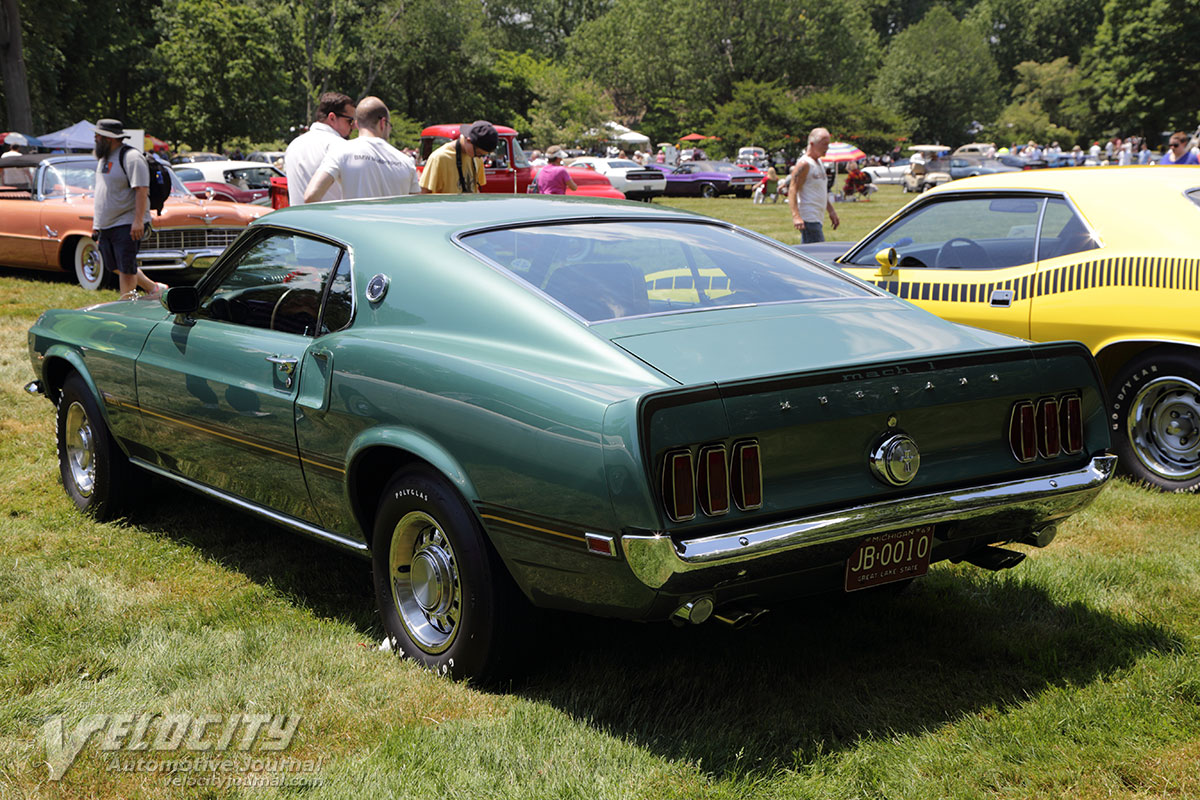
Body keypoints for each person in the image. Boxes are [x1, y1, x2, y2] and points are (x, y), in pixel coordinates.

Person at [91, 119, 166, 300]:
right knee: (114, 265)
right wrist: (96, 224)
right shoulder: (104, 158)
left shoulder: (132, 157)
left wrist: (138, 221)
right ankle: (154, 288)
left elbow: (141, 189)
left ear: (109, 138)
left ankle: (126, 308)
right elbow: (102, 192)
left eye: (98, 135)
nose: (95, 138)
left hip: (127, 222)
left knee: (126, 268)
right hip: (106, 224)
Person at [303, 97, 420, 202]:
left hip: (354, 225)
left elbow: (311, 195)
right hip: (393, 226)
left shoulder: (341, 151)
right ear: (383, 123)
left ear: (357, 124)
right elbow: (415, 207)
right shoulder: (406, 162)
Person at [284, 92, 356, 205]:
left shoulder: (293, 145)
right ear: (332, 117)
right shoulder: (340, 145)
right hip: (330, 219)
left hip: (296, 220)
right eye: (350, 121)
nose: (354, 126)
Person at [788, 127, 840, 243]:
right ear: (812, 144)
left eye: (828, 144)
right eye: (824, 144)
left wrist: (831, 211)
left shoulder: (819, 162)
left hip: (817, 218)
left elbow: (821, 191)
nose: (827, 148)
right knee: (817, 253)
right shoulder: (804, 164)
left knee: (811, 253)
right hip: (808, 218)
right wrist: (796, 216)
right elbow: (792, 190)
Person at [419, 120, 497, 194]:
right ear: (469, 140)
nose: (480, 158)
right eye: (479, 154)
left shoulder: (476, 158)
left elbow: (476, 189)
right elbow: (425, 194)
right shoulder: (439, 158)